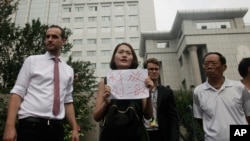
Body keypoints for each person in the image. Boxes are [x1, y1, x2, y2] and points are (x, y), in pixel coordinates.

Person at [3, 25, 79, 141]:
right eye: (47, 36)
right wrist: (9, 126)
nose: (49, 39)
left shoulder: (69, 70)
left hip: (56, 128)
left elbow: (68, 101)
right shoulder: (32, 61)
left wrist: (74, 128)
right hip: (31, 125)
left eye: (54, 36)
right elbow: (17, 92)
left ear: (63, 41)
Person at [93, 42, 154, 141]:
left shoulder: (141, 80)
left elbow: (148, 115)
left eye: (128, 53)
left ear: (133, 59)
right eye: (120, 52)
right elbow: (96, 117)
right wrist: (106, 103)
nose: (124, 55)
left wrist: (149, 94)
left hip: (136, 135)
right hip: (110, 136)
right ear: (114, 58)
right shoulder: (104, 82)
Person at [193, 52, 250, 141]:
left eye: (214, 63)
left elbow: (248, 115)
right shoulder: (198, 91)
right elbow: (200, 118)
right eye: (206, 64)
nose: (209, 67)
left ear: (224, 67)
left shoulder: (239, 87)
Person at [143, 58, 179, 141]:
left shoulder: (167, 92)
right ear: (145, 71)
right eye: (151, 69)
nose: (154, 71)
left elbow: (173, 118)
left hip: (162, 133)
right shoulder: (139, 92)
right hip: (144, 133)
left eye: (156, 69)